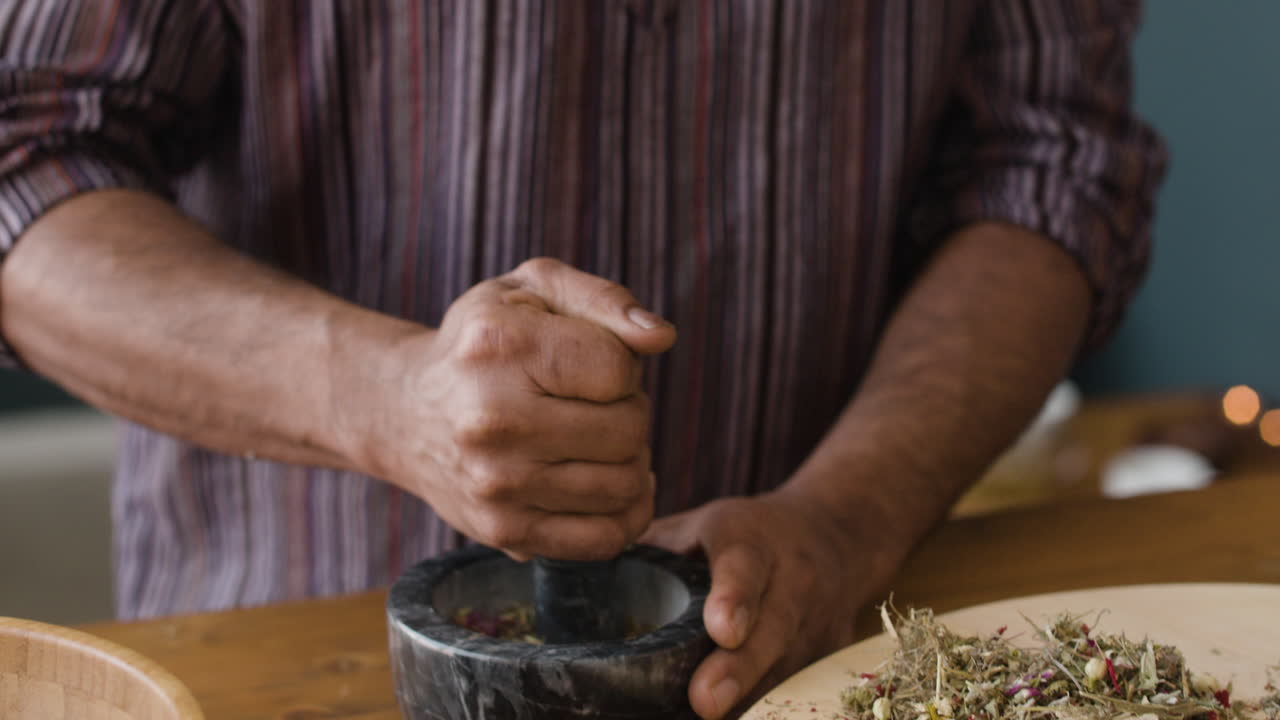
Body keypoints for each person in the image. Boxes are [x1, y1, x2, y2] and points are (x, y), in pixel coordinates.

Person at [0, 1, 1164, 717]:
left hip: (822, 659)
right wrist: (387, 398)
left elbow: (1049, 162)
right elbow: (29, 161)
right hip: (289, 664)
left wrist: (846, 522)